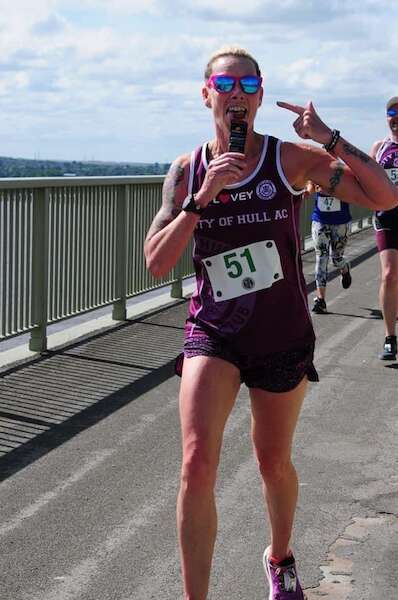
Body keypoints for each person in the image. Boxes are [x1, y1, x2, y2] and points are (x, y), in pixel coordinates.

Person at [144, 46, 398, 600]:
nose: (237, 93)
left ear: (260, 96)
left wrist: (327, 137)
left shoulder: (290, 160)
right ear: (206, 93)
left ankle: (280, 557)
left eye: (249, 84)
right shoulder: (187, 171)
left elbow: (385, 195)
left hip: (281, 331)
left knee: (273, 462)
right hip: (214, 330)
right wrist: (201, 199)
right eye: (225, 83)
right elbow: (157, 261)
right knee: (195, 462)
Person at [370, 96, 398, 360]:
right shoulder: (380, 148)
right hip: (387, 218)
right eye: (392, 112)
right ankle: (391, 338)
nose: (396, 117)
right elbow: (363, 177)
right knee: (389, 275)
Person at [306, 180, 352, 314]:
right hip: (320, 219)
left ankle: (344, 267)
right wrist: (308, 191)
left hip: (340, 221)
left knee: (336, 259)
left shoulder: (344, 167)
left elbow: (351, 190)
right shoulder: (318, 163)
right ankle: (321, 300)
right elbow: (311, 183)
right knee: (321, 257)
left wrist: (331, 190)